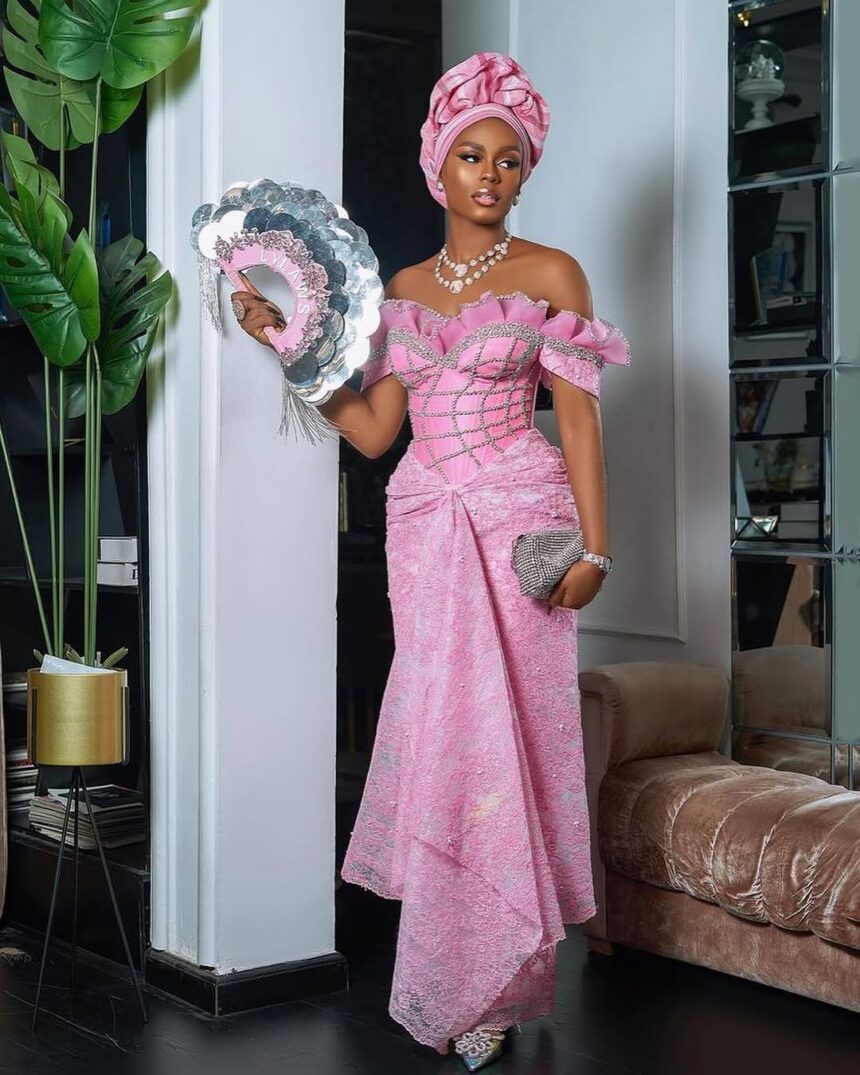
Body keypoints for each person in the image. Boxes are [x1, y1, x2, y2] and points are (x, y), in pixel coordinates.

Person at [232, 51, 629, 1073]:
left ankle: (494, 980)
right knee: (449, 741)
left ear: (524, 171)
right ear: (436, 167)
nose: (489, 174)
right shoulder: (404, 290)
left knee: (511, 744)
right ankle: (455, 970)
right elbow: (373, 431)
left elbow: (579, 420)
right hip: (423, 529)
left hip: (518, 524)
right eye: (470, 155)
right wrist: (283, 341)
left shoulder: (552, 274)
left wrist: (596, 546)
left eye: (507, 158)